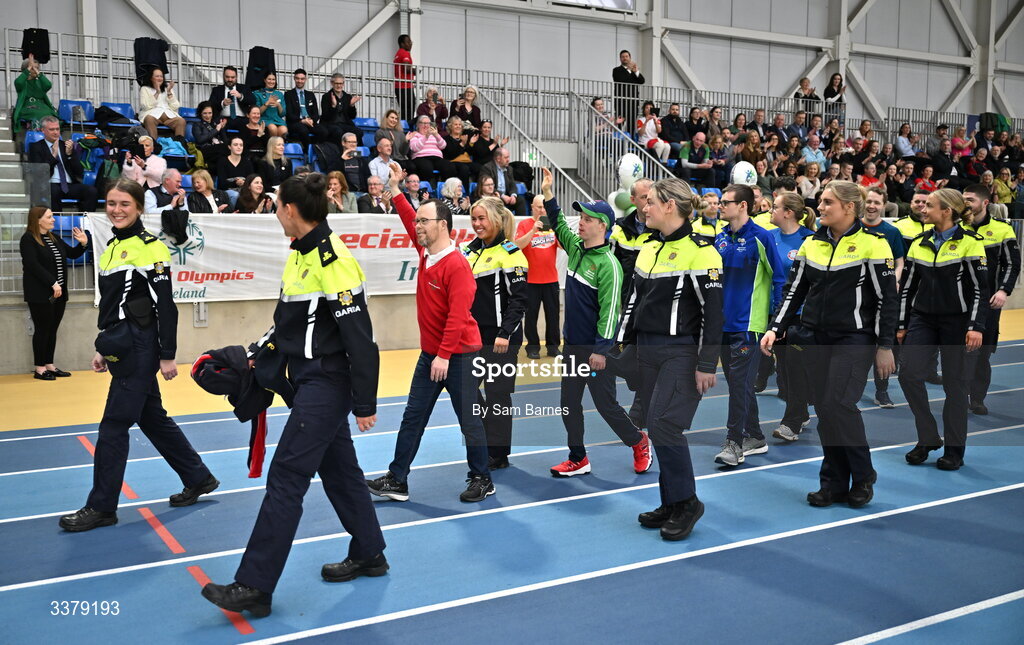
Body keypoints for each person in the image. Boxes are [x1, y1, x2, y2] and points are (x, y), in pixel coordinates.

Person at [201, 172, 387, 618]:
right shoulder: (299, 254)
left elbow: (360, 338)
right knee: (341, 472)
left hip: (327, 384)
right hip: (305, 381)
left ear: (289, 209)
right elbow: (288, 325)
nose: (274, 211)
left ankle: (254, 586)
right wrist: (254, 355)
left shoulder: (333, 261)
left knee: (286, 476)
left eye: (276, 204)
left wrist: (365, 403)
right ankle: (370, 552)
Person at [59, 178, 217, 533]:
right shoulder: (112, 246)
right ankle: (198, 477)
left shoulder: (151, 248)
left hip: (141, 348)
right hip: (121, 343)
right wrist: (102, 347)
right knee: (151, 417)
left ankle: (102, 507)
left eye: (124, 204)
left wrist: (167, 354)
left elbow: (166, 305)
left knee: (114, 426)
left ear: (139, 208)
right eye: (111, 204)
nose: (116, 210)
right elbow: (115, 307)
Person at [761, 181, 897, 509]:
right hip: (815, 337)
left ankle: (863, 476)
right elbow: (794, 291)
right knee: (824, 408)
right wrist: (775, 328)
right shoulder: (812, 244)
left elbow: (888, 300)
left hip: (854, 338)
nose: (819, 207)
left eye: (827, 202)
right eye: (820, 202)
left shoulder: (874, 245)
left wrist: (885, 345)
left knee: (839, 405)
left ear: (849, 208)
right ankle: (834, 483)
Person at [368, 161, 494, 503]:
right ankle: (398, 479)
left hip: (461, 355)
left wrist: (443, 355)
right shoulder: (426, 251)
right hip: (433, 355)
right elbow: (408, 219)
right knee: (413, 417)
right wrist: (395, 189)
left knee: (469, 420)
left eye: (424, 221)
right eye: (418, 220)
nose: (418, 225)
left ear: (443, 225)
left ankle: (482, 477)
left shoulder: (457, 265)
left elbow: (458, 316)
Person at [617, 176, 723, 540]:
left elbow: (714, 314)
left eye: (649, 202)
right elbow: (634, 300)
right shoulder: (648, 247)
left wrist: (707, 363)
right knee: (653, 422)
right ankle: (672, 501)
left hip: (681, 351)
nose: (642, 208)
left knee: (665, 424)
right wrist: (621, 341)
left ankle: (688, 502)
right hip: (647, 349)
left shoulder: (703, 252)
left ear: (669, 206)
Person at [540, 170, 651, 478]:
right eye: (582, 218)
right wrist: (548, 193)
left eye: (587, 219)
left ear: (602, 225)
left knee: (605, 405)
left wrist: (601, 351)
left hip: (594, 351)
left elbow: (610, 314)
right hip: (572, 347)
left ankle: (638, 441)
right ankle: (578, 457)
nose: (581, 222)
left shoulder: (609, 266)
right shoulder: (575, 248)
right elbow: (560, 224)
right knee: (568, 404)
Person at [898, 189, 990, 471]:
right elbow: (907, 289)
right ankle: (927, 437)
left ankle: (954, 450)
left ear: (946, 211)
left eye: (929, 205)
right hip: (923, 320)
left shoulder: (971, 243)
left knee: (955, 387)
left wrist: (975, 326)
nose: (923, 209)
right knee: (909, 375)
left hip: (958, 323)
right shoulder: (918, 243)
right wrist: (902, 324)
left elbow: (979, 289)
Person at [712, 183, 787, 466]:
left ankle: (734, 443)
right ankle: (755, 436)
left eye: (726, 202)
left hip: (749, 325)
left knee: (740, 385)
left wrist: (777, 323)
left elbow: (779, 280)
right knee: (738, 385)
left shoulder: (761, 238)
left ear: (743, 206)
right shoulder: (718, 239)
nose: (720, 205)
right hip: (722, 325)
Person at [461, 197, 529, 468]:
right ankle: (486, 441)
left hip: (501, 338)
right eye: (474, 219)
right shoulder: (468, 251)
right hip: (473, 337)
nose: (477, 224)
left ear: (497, 220)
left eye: (482, 219)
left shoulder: (511, 253)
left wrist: (505, 333)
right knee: (465, 390)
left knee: (497, 394)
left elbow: (520, 300)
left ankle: (497, 454)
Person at [963, 184, 1020, 415]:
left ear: (985, 203)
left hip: (988, 303)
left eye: (970, 200)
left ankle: (977, 398)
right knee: (956, 352)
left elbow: (1012, 264)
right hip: (959, 302)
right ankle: (957, 396)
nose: (965, 204)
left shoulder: (1002, 230)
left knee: (981, 354)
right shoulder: (956, 227)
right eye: (963, 199)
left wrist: (1004, 290)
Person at [766, 192, 815, 442]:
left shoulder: (809, 240)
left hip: (799, 316)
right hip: (775, 315)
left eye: (775, 207)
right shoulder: (769, 237)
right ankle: (801, 410)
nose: (770, 211)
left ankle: (792, 422)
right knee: (783, 373)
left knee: (794, 370)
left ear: (788, 213)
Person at [20, 206, 89, 380]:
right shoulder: (28, 239)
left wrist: (83, 243)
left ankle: (49, 364)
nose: (53, 220)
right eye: (50, 217)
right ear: (38, 220)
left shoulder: (54, 237)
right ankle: (40, 368)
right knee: (42, 329)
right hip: (40, 293)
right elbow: (32, 265)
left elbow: (72, 254)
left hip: (58, 293)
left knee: (52, 329)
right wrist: (52, 283)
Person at [862, 186, 905, 409]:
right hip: (859, 298)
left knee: (883, 342)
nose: (872, 206)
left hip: (882, 298)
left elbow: (900, 262)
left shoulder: (891, 232)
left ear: (884, 206)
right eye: (869, 201)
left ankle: (882, 390)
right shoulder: (853, 228)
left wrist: (894, 281)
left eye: (877, 202)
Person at [515, 194, 561, 360]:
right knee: (531, 316)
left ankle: (553, 347)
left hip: (551, 279)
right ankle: (532, 347)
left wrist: (557, 229)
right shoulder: (524, 224)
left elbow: (563, 247)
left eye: (544, 207)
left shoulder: (553, 224)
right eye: (538, 207)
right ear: (532, 208)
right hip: (531, 280)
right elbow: (517, 245)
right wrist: (533, 230)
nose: (542, 210)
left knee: (553, 315)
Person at [27, 116, 98, 212]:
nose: (56, 132)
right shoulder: (36, 147)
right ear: (43, 130)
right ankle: (57, 223)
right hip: (49, 184)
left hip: (68, 185)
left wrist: (70, 155)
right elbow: (40, 173)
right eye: (52, 129)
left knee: (91, 191)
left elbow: (79, 172)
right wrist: (53, 155)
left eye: (57, 129)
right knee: (53, 191)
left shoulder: (66, 146)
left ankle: (86, 223)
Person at [138, 68, 186, 141]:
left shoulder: (167, 88)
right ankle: (153, 144)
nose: (160, 78)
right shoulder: (145, 89)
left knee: (181, 121)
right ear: (151, 78)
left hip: (168, 117)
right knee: (148, 119)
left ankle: (179, 146)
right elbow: (146, 106)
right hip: (153, 116)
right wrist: (157, 92)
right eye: (157, 76)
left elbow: (175, 106)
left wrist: (169, 92)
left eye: (161, 76)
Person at [13, 54, 57, 133]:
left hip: (42, 106)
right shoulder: (22, 82)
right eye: (33, 68)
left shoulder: (39, 81)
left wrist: (39, 73)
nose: (35, 70)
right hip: (28, 107)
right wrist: (29, 69)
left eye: (37, 68)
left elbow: (48, 85)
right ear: (26, 69)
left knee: (50, 114)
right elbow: (18, 83)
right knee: (36, 113)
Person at [479, 147, 526, 216]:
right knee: (496, 201)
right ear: (498, 159)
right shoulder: (487, 168)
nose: (508, 160)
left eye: (508, 157)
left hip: (507, 197)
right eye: (506, 158)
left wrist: (513, 195)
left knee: (520, 200)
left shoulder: (509, 169)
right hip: (494, 196)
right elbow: (487, 186)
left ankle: (521, 224)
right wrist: (502, 195)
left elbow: (512, 184)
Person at [284, 68, 325, 145]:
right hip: (295, 123)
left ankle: (316, 149)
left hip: (310, 122)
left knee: (323, 131)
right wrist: (302, 121)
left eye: (302, 79)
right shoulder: (288, 94)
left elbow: (316, 113)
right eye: (297, 78)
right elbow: (289, 114)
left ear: (305, 79)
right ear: (294, 79)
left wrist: (312, 120)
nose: (300, 81)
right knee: (303, 130)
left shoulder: (310, 95)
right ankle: (307, 151)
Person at [409, 115, 453, 182]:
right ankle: (426, 189)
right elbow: (414, 148)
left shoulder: (434, 135)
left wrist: (436, 135)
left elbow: (443, 146)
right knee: (426, 168)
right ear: (418, 125)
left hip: (436, 157)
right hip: (421, 157)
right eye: (424, 123)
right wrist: (426, 137)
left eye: (428, 123)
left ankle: (445, 188)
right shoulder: (415, 135)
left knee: (449, 166)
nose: (426, 125)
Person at [209, 65, 254, 131]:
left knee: (248, 128)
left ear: (236, 77)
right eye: (227, 77)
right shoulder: (217, 90)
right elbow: (211, 105)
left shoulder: (244, 88)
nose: (230, 79)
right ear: (223, 76)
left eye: (232, 77)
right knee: (219, 126)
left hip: (241, 119)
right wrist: (222, 103)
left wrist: (240, 96)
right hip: (224, 118)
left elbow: (253, 101)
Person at [320, 74, 361, 143]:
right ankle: (340, 152)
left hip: (345, 124)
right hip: (331, 124)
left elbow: (352, 116)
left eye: (341, 83)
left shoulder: (347, 97)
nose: (339, 86)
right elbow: (326, 116)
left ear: (343, 84)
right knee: (338, 132)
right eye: (336, 83)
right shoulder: (326, 97)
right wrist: (333, 106)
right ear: (332, 83)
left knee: (359, 132)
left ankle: (357, 152)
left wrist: (352, 105)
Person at [190, 101, 228, 169]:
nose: (207, 116)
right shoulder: (197, 125)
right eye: (205, 113)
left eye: (210, 113)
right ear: (200, 113)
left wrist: (221, 129)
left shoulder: (217, 123)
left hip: (219, 150)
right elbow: (200, 140)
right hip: (205, 149)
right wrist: (216, 130)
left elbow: (225, 140)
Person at [612, 50, 645, 128]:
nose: (625, 58)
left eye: (626, 56)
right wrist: (630, 71)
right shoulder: (616, 70)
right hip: (621, 101)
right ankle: (618, 139)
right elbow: (621, 80)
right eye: (623, 57)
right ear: (620, 59)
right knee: (619, 124)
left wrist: (636, 71)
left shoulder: (634, 71)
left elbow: (642, 81)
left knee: (632, 124)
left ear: (630, 58)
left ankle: (631, 139)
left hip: (633, 101)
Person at [217, 136, 254, 203]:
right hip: (227, 191)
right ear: (229, 147)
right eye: (235, 145)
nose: (239, 147)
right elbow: (222, 184)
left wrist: (244, 183)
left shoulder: (247, 162)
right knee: (235, 195)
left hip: (244, 189)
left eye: (241, 145)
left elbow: (251, 179)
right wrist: (236, 183)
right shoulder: (222, 161)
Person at [253, 72, 288, 139]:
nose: (271, 81)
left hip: (277, 120)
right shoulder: (258, 93)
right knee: (273, 128)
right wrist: (267, 103)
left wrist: (278, 105)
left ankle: (279, 148)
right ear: (264, 80)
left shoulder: (279, 94)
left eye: (273, 79)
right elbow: (258, 112)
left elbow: (282, 114)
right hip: (265, 119)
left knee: (283, 130)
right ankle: (271, 148)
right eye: (269, 79)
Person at [394, 34, 416, 126]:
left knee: (404, 110)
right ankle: (407, 128)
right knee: (409, 110)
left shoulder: (398, 53)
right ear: (402, 44)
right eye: (408, 42)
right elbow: (406, 68)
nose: (410, 44)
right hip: (405, 86)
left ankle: (403, 127)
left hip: (399, 86)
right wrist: (415, 70)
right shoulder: (404, 53)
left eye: (411, 42)